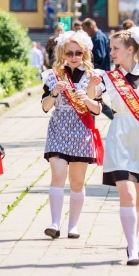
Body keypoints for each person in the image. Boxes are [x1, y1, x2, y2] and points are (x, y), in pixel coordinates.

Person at [93, 27, 139, 266]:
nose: (111, 52)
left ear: (131, 50)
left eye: (115, 48)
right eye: (111, 48)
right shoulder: (107, 77)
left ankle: (132, 238)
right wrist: (91, 87)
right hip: (118, 137)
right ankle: (133, 247)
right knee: (127, 192)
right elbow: (93, 103)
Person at [41, 30, 104, 240]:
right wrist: (54, 92)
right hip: (59, 128)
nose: (74, 57)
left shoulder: (92, 76)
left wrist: (87, 97)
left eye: (78, 53)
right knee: (58, 175)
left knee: (77, 182)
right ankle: (54, 223)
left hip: (82, 130)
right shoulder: (54, 75)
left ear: (84, 53)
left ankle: (73, 226)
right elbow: (45, 106)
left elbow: (96, 110)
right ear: (62, 53)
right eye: (69, 53)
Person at [82, 18, 114, 120]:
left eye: (85, 30)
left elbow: (99, 56)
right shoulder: (98, 36)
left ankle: (113, 116)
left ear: (91, 27)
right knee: (93, 98)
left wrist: (86, 59)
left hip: (99, 73)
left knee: (94, 99)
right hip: (99, 73)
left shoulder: (98, 38)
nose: (85, 33)